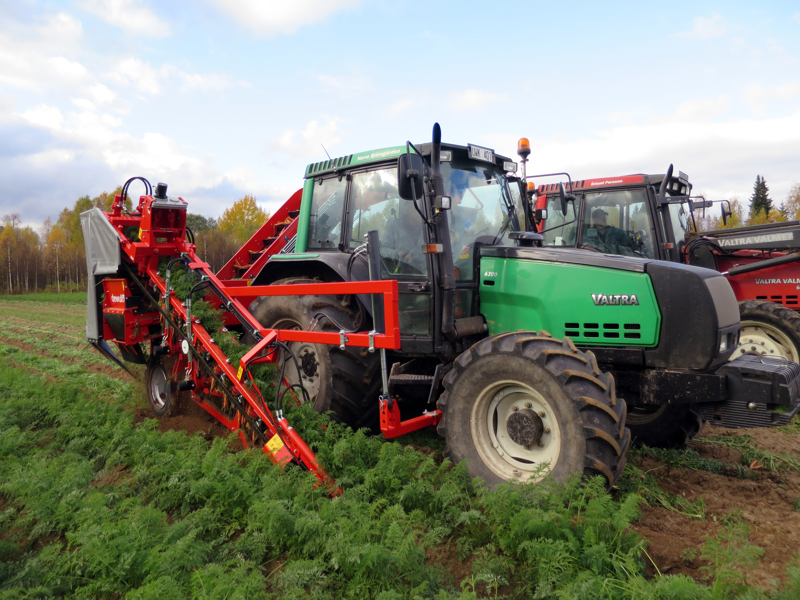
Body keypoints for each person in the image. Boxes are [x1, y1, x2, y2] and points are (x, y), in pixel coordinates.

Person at [380, 200, 426, 275]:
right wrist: (398, 253)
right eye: (418, 208)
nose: (422, 211)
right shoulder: (394, 225)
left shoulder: (427, 227)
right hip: (399, 276)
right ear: (408, 210)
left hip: (424, 276)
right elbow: (382, 249)